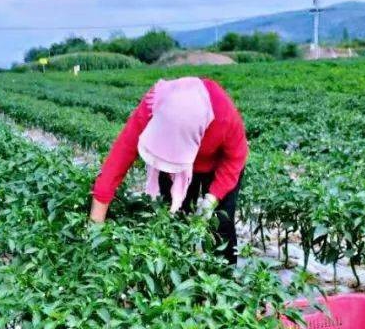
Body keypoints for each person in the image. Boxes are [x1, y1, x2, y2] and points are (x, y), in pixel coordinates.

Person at [89, 76, 248, 264]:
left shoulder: (223, 116)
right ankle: (178, 268)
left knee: (222, 224)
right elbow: (119, 158)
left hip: (217, 164)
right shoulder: (154, 105)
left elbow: (235, 158)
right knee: (172, 218)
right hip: (172, 164)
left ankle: (225, 278)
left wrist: (212, 199)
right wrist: (95, 228)